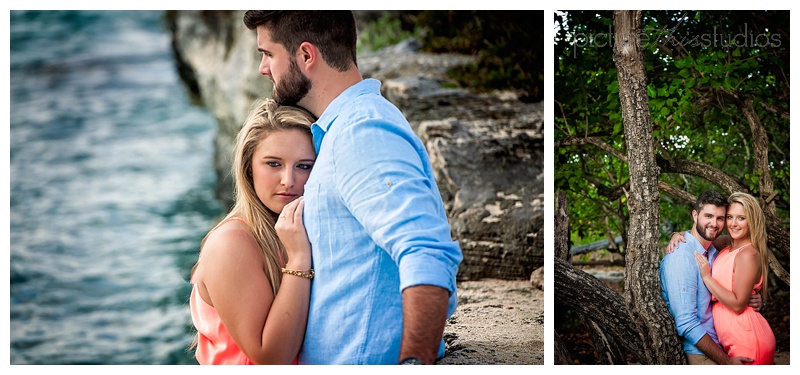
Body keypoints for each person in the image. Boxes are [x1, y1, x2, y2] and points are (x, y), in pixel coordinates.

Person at [243, 10, 463, 365]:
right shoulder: (345, 128)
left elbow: (426, 251)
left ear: (305, 55)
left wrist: (415, 363)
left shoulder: (360, 132)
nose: (263, 68)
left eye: (267, 54)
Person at [188, 98, 317, 364]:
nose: (288, 181)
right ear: (249, 167)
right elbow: (270, 358)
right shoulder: (231, 242)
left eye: (304, 166)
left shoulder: (298, 228)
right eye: (273, 164)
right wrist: (299, 258)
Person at [666, 192, 775, 364]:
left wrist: (707, 278)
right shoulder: (724, 245)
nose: (732, 224)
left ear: (752, 220)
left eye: (741, 218)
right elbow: (698, 236)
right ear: (695, 215)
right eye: (730, 217)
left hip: (744, 335)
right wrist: (675, 234)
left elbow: (738, 303)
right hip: (721, 342)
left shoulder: (740, 253)